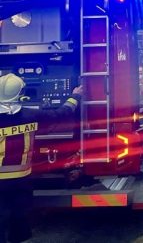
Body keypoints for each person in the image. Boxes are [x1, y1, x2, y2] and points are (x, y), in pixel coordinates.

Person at [0, 73, 82, 243]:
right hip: (21, 180)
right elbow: (61, 113)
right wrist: (75, 96)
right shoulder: (31, 115)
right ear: (20, 93)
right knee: (20, 219)